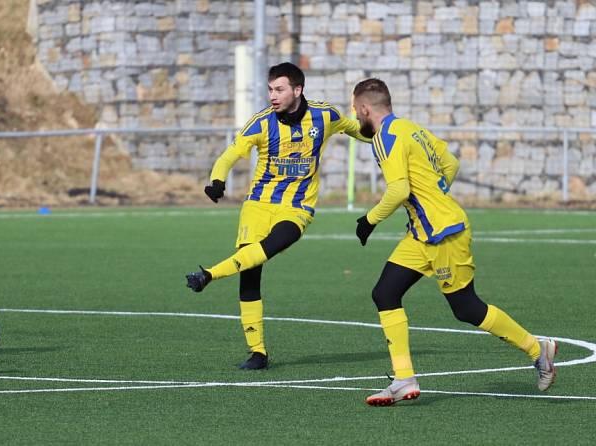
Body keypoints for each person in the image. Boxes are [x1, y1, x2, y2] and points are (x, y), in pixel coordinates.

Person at [351, 78, 557, 406]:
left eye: (355, 110)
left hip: (444, 233)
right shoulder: (411, 128)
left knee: (466, 307)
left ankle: (537, 349)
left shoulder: (383, 139)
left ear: (364, 109)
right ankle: (404, 378)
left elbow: (399, 191)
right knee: (385, 293)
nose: (356, 115)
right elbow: (451, 163)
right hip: (422, 233)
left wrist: (369, 220)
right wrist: (436, 195)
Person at [185, 62, 371, 370]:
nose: (273, 95)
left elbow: (360, 130)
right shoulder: (261, 123)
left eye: (279, 89)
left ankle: (209, 275)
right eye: (270, 89)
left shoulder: (325, 116)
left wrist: (388, 138)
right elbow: (228, 155)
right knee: (250, 272)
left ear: (298, 90)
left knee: (269, 248)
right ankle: (257, 352)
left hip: (297, 208)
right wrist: (217, 180)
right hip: (258, 205)